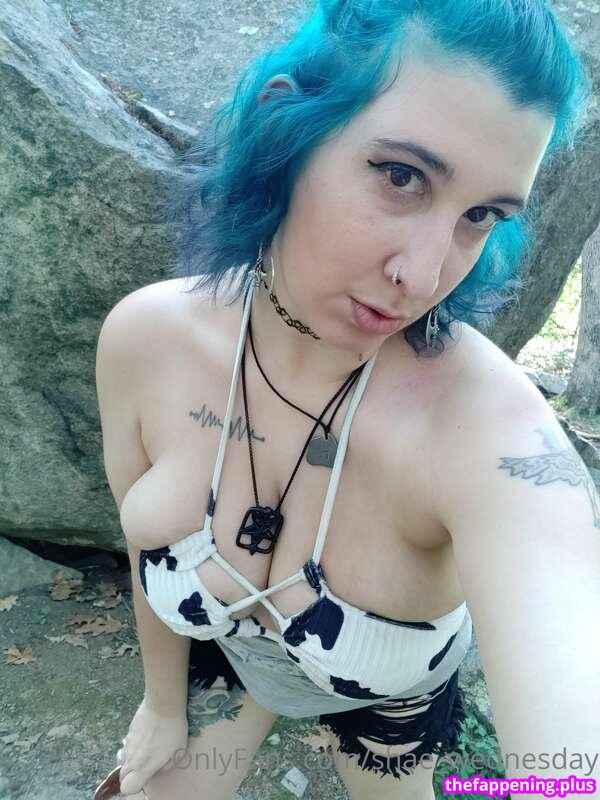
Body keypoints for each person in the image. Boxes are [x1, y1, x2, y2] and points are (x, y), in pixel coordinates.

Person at [95, 1, 599, 798]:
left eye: (482, 216)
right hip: (229, 657)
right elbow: (141, 550)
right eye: (402, 177)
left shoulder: (485, 429)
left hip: (385, 706)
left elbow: (571, 741)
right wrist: (162, 706)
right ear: (287, 130)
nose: (424, 276)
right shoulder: (145, 340)